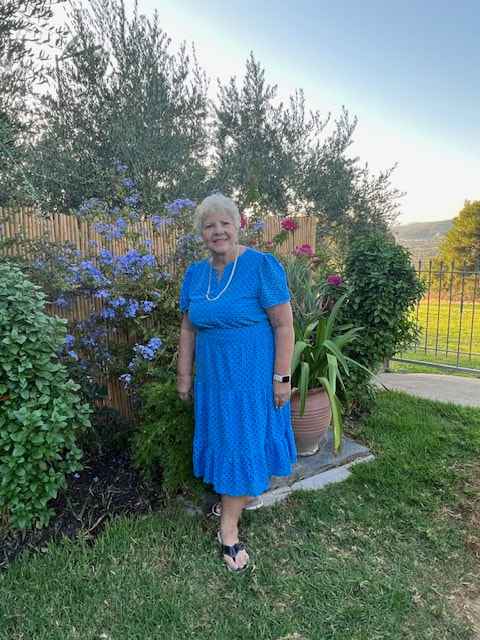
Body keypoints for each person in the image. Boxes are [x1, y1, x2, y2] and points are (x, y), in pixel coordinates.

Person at [177, 193, 297, 572]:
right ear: (201, 233)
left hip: (250, 381)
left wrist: (282, 378)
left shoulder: (261, 266)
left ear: (238, 225)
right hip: (214, 382)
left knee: (239, 442)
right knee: (230, 440)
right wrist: (184, 374)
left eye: (225, 223)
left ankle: (228, 531)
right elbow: (188, 328)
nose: (218, 231)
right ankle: (245, 494)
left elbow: (284, 325)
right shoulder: (195, 274)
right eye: (209, 226)